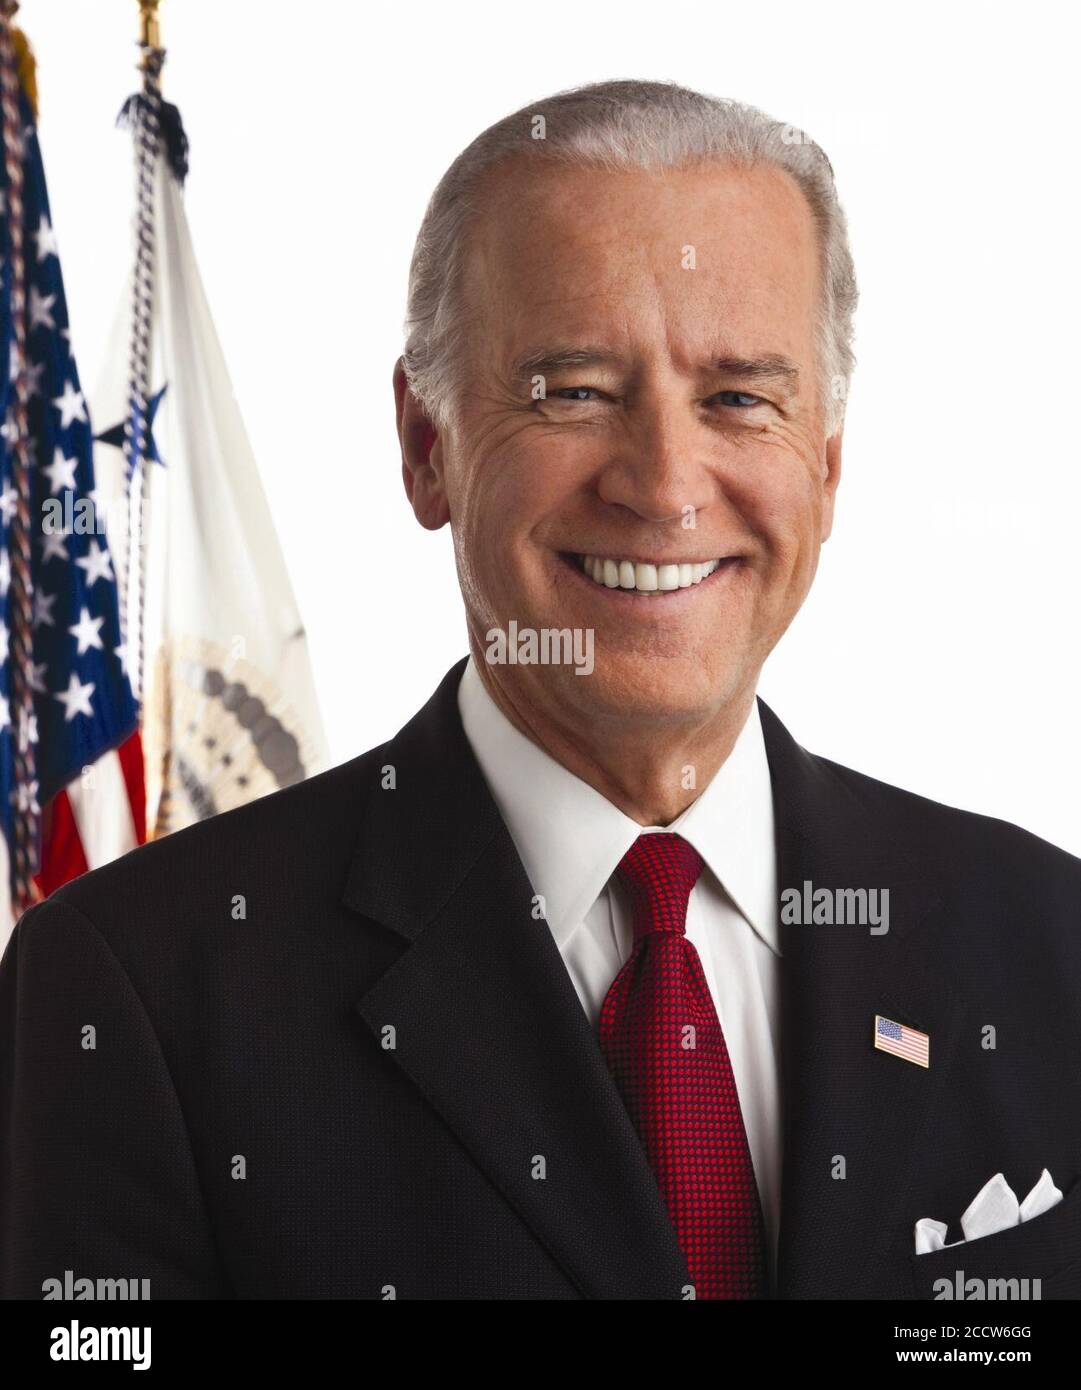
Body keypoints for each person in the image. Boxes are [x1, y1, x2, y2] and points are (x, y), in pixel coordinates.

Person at [3, 79, 1079, 1301]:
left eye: (738, 398)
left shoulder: (1045, 943)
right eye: (572, 391)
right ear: (427, 446)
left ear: (825, 467)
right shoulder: (135, 983)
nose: (666, 486)